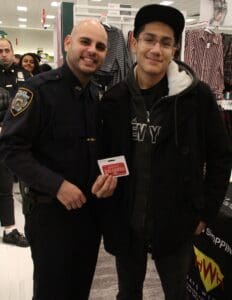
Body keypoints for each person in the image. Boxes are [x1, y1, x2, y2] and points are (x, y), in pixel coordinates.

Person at [92, 4, 232, 300]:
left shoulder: (197, 97)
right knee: (128, 293)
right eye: (149, 39)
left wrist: (206, 210)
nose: (156, 49)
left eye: (165, 42)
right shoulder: (115, 99)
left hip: (177, 222)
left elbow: (221, 156)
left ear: (175, 48)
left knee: (176, 292)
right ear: (134, 41)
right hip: (127, 220)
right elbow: (103, 155)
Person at [0, 19, 116, 299]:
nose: (92, 51)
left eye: (100, 47)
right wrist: (57, 185)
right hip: (50, 216)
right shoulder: (38, 90)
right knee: (52, 291)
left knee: (79, 288)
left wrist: (108, 177)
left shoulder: (95, 95)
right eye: (85, 42)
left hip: (88, 215)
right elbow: (11, 149)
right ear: (68, 44)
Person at [0, 38, 29, 247]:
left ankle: (17, 228)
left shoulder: (24, 75)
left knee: (15, 184)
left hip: (20, 136)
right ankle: (9, 228)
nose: (3, 54)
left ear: (13, 51)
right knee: (4, 184)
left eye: (6, 50)